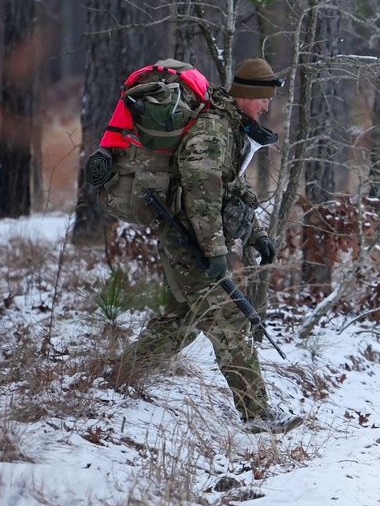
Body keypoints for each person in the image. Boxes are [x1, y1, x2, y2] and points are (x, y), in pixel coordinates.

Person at [113, 58, 301, 434]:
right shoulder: (213, 129)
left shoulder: (230, 126)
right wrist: (215, 254)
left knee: (179, 322)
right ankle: (257, 415)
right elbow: (202, 196)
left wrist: (255, 233)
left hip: (194, 238)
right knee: (229, 322)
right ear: (247, 95)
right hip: (188, 241)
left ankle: (115, 380)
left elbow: (230, 188)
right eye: (263, 99)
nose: (267, 107)